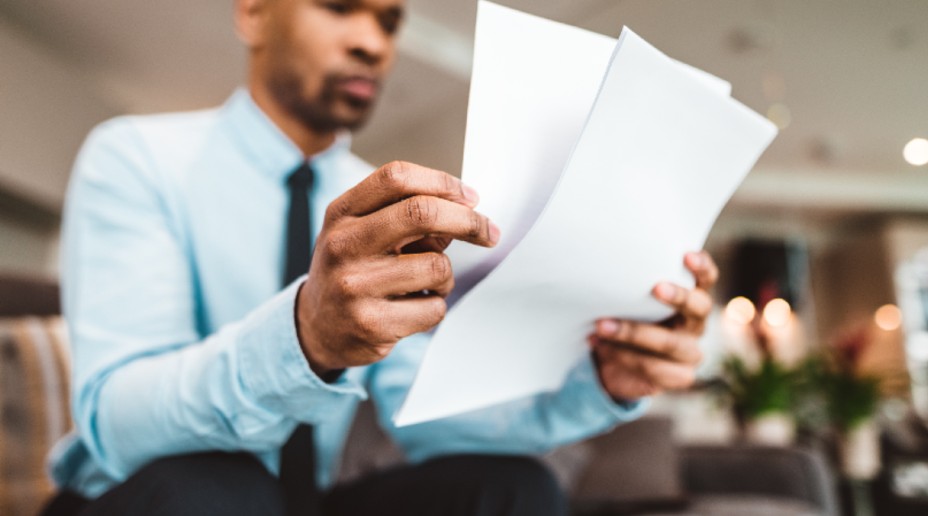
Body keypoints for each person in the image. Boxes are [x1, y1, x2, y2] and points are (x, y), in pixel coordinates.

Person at [42, 0, 717, 515]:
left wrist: (601, 384)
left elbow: (424, 420)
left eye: (390, 22)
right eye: (338, 7)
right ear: (252, 12)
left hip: (296, 499)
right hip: (148, 494)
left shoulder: (389, 200)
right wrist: (303, 338)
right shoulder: (136, 156)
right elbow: (116, 423)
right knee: (218, 487)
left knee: (515, 488)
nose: (371, 42)